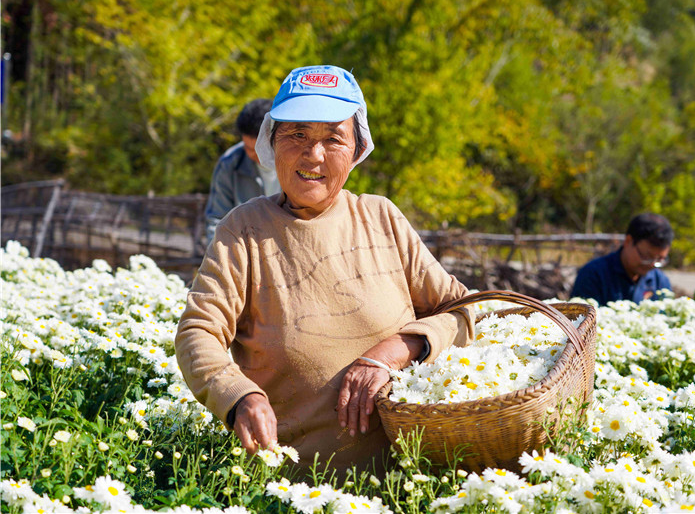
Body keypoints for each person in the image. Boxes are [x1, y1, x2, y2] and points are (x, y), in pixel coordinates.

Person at [176, 65, 475, 474]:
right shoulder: (243, 231)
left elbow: (463, 310)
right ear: (271, 143)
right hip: (296, 487)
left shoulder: (381, 217)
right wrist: (240, 396)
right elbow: (198, 331)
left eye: (333, 138)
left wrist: (395, 350)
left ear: (356, 150)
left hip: (409, 479)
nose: (313, 154)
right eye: (297, 134)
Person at [204, 98, 282, 244]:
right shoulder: (229, 164)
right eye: (248, 148)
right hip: (243, 249)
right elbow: (217, 219)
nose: (254, 154)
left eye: (260, 148)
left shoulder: (296, 161)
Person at [570, 213, 673, 305]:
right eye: (646, 257)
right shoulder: (593, 275)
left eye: (660, 259)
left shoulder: (660, 282)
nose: (652, 264)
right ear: (628, 241)